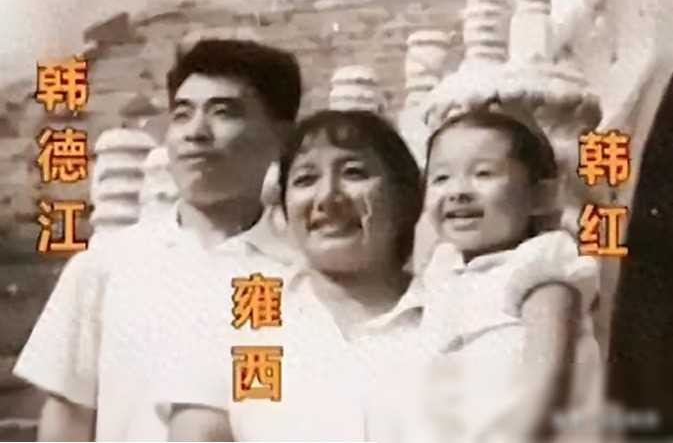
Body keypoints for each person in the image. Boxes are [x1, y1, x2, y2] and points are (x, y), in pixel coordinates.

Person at [13, 38, 302, 441]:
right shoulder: (106, 264)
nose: (195, 132)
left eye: (223, 112)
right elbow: (68, 416)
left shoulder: (307, 273)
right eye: (182, 114)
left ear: (283, 137)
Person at [159, 109, 427, 441]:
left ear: (405, 197)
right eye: (305, 179)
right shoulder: (239, 321)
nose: (327, 197)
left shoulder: (451, 320)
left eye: (353, 173)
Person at [376, 105, 603, 443]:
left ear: (541, 196)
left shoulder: (539, 267)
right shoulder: (444, 272)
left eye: (483, 174)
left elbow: (548, 380)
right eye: (441, 178)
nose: (457, 191)